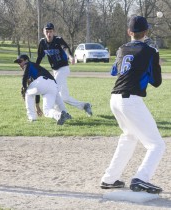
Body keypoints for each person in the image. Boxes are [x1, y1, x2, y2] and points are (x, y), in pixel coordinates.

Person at [100, 16, 165, 194]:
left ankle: (109, 178)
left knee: (129, 137)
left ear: (129, 32)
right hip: (131, 100)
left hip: (115, 99)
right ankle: (141, 178)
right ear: (146, 32)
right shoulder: (150, 51)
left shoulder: (122, 49)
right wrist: (155, 61)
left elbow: (115, 71)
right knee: (157, 145)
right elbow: (156, 82)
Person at [36, 22, 92, 117]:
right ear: (43, 32)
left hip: (63, 68)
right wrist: (34, 69)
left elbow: (65, 48)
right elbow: (40, 57)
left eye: (51, 31)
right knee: (64, 97)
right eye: (47, 31)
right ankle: (85, 105)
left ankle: (60, 114)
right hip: (55, 71)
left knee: (53, 89)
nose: (49, 34)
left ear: (54, 32)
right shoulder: (42, 42)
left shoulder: (58, 40)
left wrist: (70, 57)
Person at [14, 54, 71, 125]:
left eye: (20, 61)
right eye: (18, 62)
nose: (19, 64)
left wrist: (24, 87)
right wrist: (37, 106)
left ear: (26, 60)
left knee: (28, 93)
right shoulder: (34, 68)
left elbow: (24, 78)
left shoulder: (28, 64)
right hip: (53, 85)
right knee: (47, 111)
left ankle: (32, 118)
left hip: (42, 81)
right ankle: (60, 115)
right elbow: (36, 90)